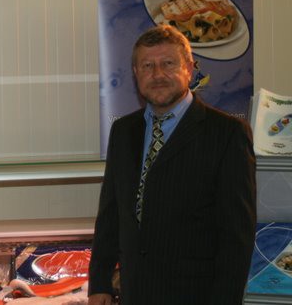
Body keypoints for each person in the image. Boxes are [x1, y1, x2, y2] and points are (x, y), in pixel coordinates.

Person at [88, 25, 256, 305]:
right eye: (147, 66)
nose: (158, 74)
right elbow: (111, 214)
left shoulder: (227, 133)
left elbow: (237, 237)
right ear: (136, 73)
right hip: (135, 292)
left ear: (189, 69)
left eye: (168, 63)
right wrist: (100, 283)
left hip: (196, 295)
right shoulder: (123, 131)